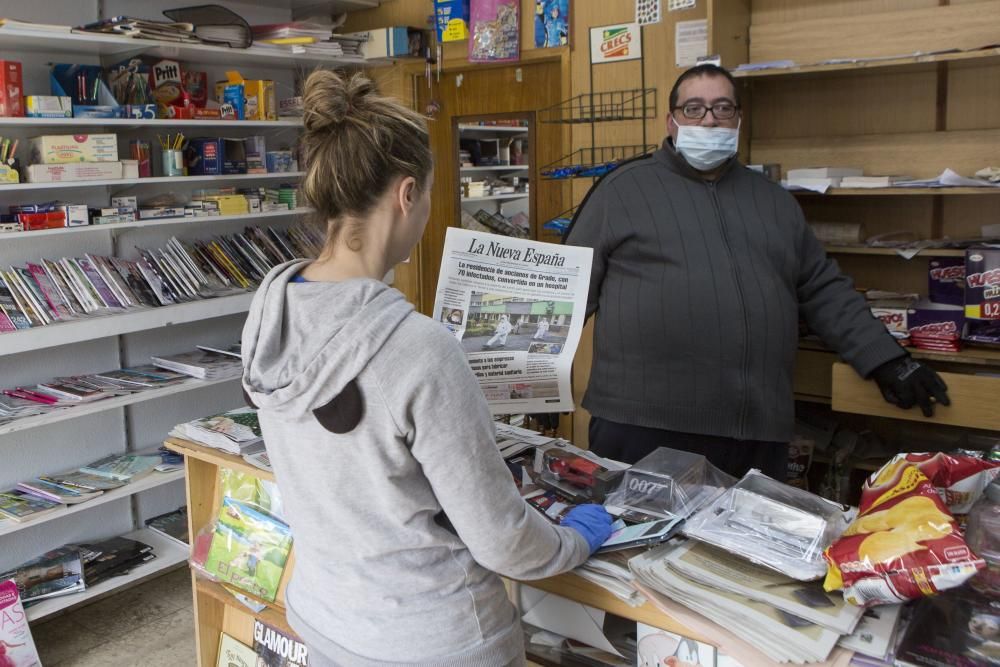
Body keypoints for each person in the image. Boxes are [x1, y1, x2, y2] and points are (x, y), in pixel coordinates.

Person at [241, 70, 612, 667]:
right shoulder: (419, 349)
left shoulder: (272, 310)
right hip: (435, 640)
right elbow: (504, 543)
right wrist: (574, 540)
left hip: (326, 617)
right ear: (406, 194)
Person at [564, 63, 950, 477]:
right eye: (693, 108)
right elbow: (564, 294)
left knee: (737, 544)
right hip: (642, 426)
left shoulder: (773, 202)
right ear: (671, 121)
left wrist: (886, 360)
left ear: (738, 120)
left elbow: (823, 289)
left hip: (754, 433)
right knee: (637, 542)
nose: (709, 118)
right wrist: (533, 386)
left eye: (722, 107)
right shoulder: (621, 190)